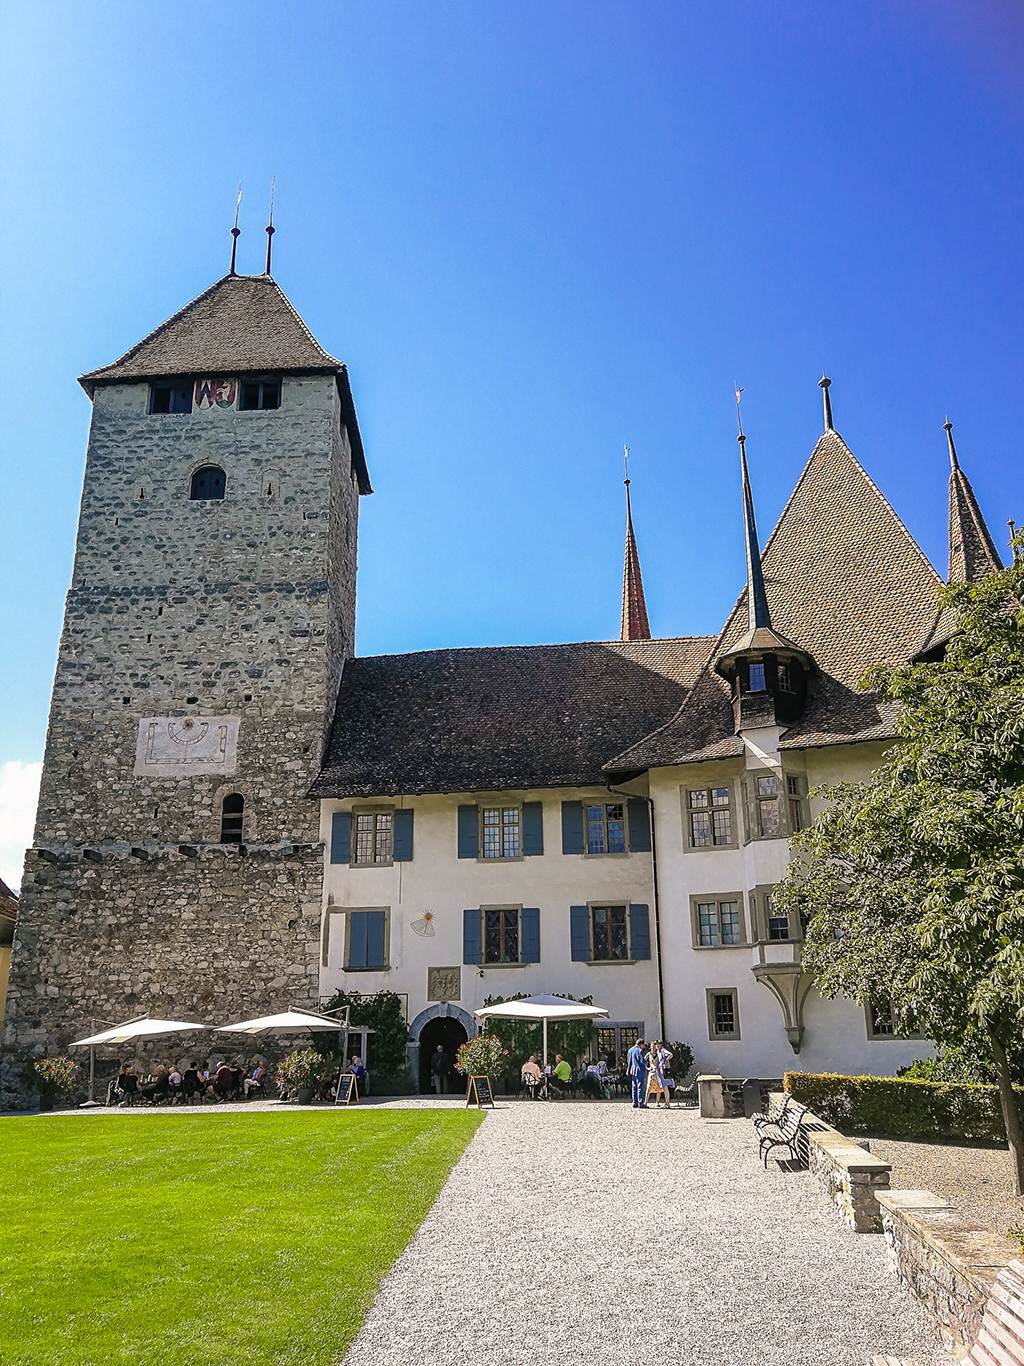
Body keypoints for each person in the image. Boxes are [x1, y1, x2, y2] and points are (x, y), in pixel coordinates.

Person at [646, 1040, 673, 1109]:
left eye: (658, 1045)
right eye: (656, 1045)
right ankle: (667, 1103)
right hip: (659, 1072)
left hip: (663, 1071)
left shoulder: (663, 1050)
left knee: (665, 1088)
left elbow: (670, 1054)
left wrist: (666, 1060)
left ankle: (667, 1104)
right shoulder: (658, 1052)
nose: (657, 1046)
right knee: (664, 1088)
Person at [626, 1036, 647, 1108]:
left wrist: (628, 1071)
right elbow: (642, 1061)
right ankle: (640, 1103)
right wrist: (647, 1062)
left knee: (634, 1087)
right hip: (639, 1071)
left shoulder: (630, 1050)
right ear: (640, 1044)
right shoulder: (640, 1051)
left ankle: (635, 1102)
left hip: (633, 1070)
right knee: (640, 1087)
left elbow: (629, 1061)